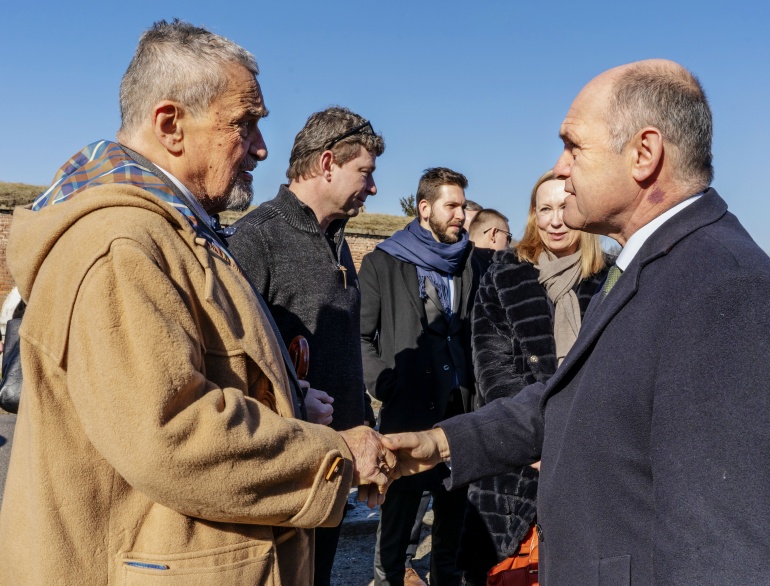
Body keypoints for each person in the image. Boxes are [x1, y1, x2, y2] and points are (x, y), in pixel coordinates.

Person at [0, 20, 395, 585]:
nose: (261, 147)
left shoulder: (176, 231)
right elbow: (172, 431)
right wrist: (329, 455)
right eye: (245, 123)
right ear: (171, 124)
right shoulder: (121, 246)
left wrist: (286, 396)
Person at [384, 59, 770, 584]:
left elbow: (731, 552)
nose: (560, 167)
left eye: (574, 146)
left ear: (644, 155)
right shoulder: (657, 262)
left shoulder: (723, 287)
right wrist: (441, 444)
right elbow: (571, 398)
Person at [227, 105, 385, 585]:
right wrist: (292, 402)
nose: (373, 188)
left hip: (331, 465)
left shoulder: (335, 240)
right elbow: (231, 361)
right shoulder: (257, 238)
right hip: (281, 471)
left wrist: (364, 427)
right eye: (365, 172)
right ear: (328, 162)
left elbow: (342, 348)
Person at [459, 170, 608, 584]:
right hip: (518, 452)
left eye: (564, 206)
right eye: (545, 209)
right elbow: (491, 363)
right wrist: (531, 438)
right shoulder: (505, 273)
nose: (555, 220)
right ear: (533, 215)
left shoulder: (610, 278)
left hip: (590, 450)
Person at [360, 167, 480, 586]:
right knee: (396, 526)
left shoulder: (472, 264)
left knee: (452, 527)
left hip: (462, 412)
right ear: (425, 208)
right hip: (407, 412)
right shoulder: (382, 262)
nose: (461, 216)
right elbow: (361, 336)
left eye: (463, 207)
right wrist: (385, 383)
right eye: (452, 206)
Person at [467, 208, 512, 273]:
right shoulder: (493, 271)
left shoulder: (458, 262)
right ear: (494, 234)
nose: (508, 246)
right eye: (508, 238)